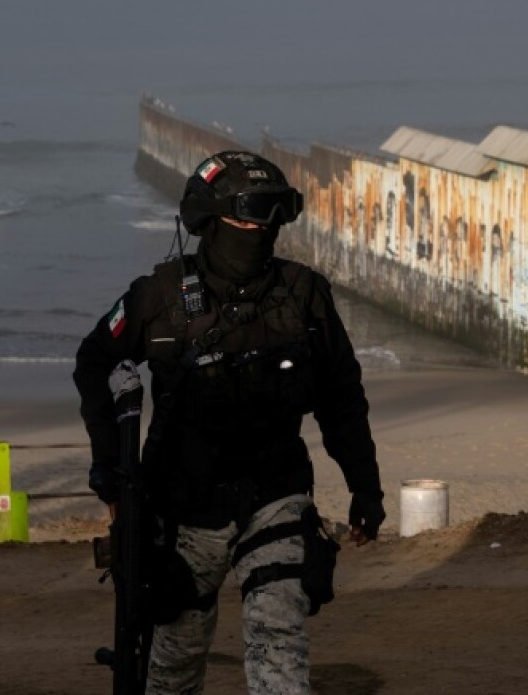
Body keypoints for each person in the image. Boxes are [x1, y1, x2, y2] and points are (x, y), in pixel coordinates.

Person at [74, 150, 386, 695]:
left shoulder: (305, 295)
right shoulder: (160, 295)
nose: (259, 230)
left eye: (272, 216)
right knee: (175, 657)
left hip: (277, 496)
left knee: (278, 635)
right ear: (208, 219)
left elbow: (342, 398)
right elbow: (94, 362)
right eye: (246, 217)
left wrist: (366, 488)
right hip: (182, 506)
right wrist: (109, 468)